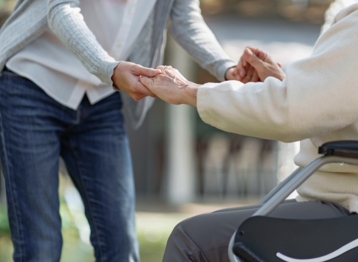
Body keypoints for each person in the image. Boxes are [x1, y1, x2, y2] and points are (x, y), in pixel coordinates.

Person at [140, 0, 358, 261]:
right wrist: (283, 84)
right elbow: (336, 105)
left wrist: (190, 92)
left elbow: (291, 113)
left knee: (192, 240)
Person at [0, 0, 239, 261]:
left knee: (121, 244)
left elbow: (186, 20)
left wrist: (226, 68)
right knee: (40, 247)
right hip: (32, 83)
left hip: (102, 98)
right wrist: (108, 68)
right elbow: (60, 8)